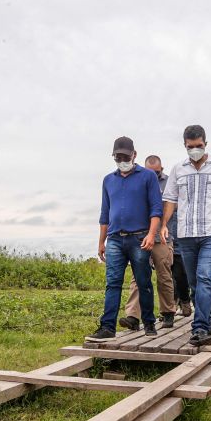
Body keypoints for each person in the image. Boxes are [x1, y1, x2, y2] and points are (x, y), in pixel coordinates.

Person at [161, 124, 211, 346]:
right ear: (185, 146)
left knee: (206, 277)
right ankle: (206, 317)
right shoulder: (179, 169)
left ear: (205, 143)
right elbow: (170, 199)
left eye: (198, 146)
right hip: (187, 235)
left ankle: (200, 329)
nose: (194, 150)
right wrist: (164, 224)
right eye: (190, 147)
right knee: (196, 283)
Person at [87, 136, 163, 342]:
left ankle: (148, 323)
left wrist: (150, 234)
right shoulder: (108, 180)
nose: (122, 160)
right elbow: (105, 213)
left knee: (143, 281)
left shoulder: (148, 177)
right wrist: (101, 241)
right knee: (112, 283)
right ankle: (107, 327)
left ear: (134, 155)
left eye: (125, 156)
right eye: (117, 157)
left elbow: (156, 209)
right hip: (114, 239)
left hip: (139, 237)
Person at [120, 155, 176, 330]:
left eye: (157, 172)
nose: (153, 175)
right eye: (150, 172)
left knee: (164, 275)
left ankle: (167, 312)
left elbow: (173, 206)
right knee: (138, 276)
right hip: (141, 235)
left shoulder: (169, 183)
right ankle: (133, 316)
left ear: (162, 169)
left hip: (162, 237)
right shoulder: (138, 180)